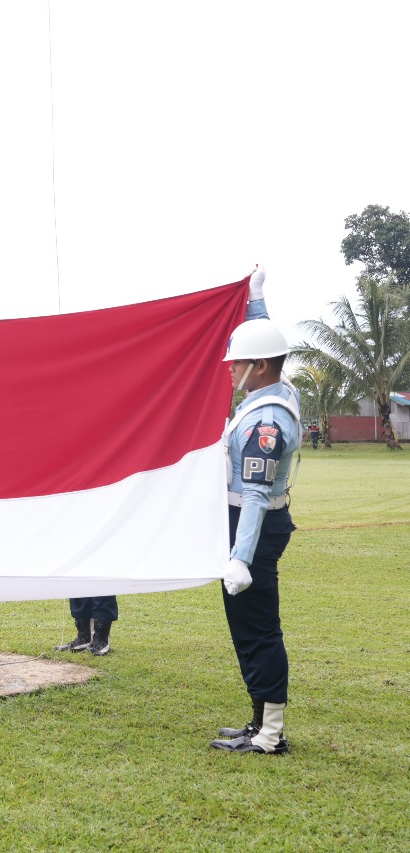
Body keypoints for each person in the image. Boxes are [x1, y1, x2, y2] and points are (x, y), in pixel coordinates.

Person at [210, 267, 300, 756]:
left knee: (256, 628)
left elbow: (256, 497)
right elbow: (266, 340)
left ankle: (269, 734)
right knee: (248, 625)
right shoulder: (276, 388)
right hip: (256, 523)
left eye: (237, 362)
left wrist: (240, 558)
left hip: (254, 528)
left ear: (259, 366)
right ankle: (259, 720)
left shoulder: (265, 423)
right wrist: (256, 300)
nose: (229, 368)